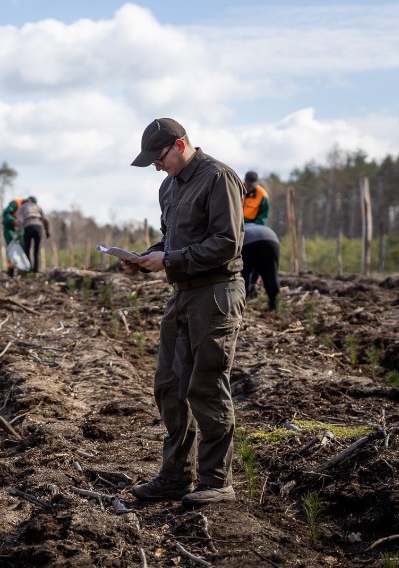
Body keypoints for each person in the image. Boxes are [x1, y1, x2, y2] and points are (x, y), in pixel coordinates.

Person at [125, 118, 246, 508]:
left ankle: (216, 480)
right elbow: (173, 238)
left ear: (179, 145)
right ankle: (175, 476)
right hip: (181, 293)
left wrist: (170, 259)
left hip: (215, 294)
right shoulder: (169, 186)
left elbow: (226, 243)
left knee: (206, 384)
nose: (157, 167)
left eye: (158, 158)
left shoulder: (218, 178)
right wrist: (147, 257)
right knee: (169, 385)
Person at [242, 223, 280, 310]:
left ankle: (241, 303)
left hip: (247, 241)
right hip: (271, 238)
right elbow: (260, 267)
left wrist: (251, 283)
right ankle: (276, 305)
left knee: (243, 275)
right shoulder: (256, 226)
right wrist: (253, 282)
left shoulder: (241, 227)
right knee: (271, 276)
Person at [16, 196, 50, 273]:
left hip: (28, 228)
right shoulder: (37, 206)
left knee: (27, 250)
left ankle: (28, 269)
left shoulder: (22, 207)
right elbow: (45, 219)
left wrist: (18, 234)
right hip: (38, 227)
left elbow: (20, 221)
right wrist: (47, 231)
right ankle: (36, 270)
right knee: (36, 251)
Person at [2, 197, 26, 276]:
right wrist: (13, 221)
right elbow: (6, 214)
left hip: (20, 228)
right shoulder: (16, 203)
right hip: (10, 229)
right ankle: (10, 272)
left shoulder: (28, 208)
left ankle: (23, 271)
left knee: (23, 247)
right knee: (12, 250)